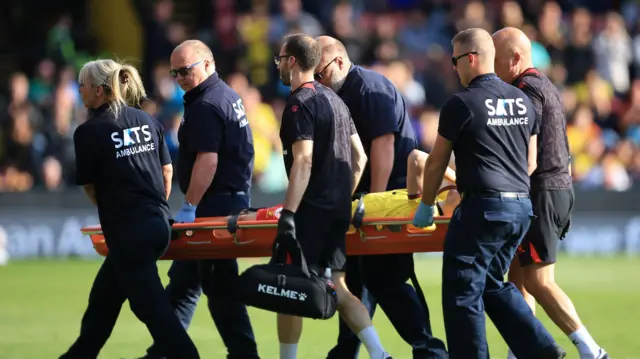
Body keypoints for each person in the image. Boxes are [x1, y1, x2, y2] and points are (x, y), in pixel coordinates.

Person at [411, 28, 566, 359]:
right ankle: (543, 352)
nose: (454, 68)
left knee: (462, 292)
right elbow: (531, 161)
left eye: (455, 60)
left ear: (470, 58)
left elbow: (436, 161)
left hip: (482, 210)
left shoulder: (461, 103)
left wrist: (426, 205)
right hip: (520, 209)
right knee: (495, 285)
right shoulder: (523, 101)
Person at [314, 36, 448, 359]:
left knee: (383, 277)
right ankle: (348, 351)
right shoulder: (344, 91)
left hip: (390, 196)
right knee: (356, 280)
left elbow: (384, 145)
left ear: (340, 63)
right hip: (369, 196)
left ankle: (429, 349)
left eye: (320, 74)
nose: (317, 82)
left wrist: (372, 202)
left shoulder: (368, 88)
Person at [59, 59, 199, 359]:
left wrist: (119, 213)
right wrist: (152, 208)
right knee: (103, 303)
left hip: (128, 232)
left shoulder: (88, 132)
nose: (79, 90)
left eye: (82, 85)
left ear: (99, 90)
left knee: (153, 311)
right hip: (158, 224)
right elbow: (167, 172)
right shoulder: (146, 119)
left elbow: (90, 186)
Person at [136, 40, 260, 359]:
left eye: (185, 70)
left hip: (213, 204)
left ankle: (244, 353)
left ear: (207, 64)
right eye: (174, 71)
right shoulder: (224, 95)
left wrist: (190, 207)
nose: (178, 77)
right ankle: (163, 353)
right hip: (226, 198)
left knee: (217, 288)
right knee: (184, 285)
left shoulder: (206, 104)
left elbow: (209, 161)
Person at [492, 27, 609, 359]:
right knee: (518, 279)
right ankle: (522, 350)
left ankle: (592, 350)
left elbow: (525, 152)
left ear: (515, 58)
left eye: (496, 60)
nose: (491, 68)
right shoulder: (542, 85)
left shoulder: (525, 91)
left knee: (539, 281)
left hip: (541, 191)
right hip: (551, 188)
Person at [274, 33, 392, 359]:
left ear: (293, 61)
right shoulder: (336, 101)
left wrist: (289, 212)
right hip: (337, 212)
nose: (278, 66)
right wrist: (342, 196)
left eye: (280, 59)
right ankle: (379, 353)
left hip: (310, 213)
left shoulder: (299, 103)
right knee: (339, 288)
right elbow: (360, 158)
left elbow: (304, 160)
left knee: (289, 288)